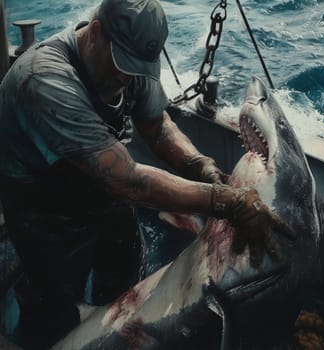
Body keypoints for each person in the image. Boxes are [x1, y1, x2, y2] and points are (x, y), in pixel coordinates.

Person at [0, 0, 295, 348]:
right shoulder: (44, 80)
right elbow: (128, 180)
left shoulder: (128, 62)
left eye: (138, 68)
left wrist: (200, 165)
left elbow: (157, 128)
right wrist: (224, 201)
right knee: (51, 302)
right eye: (123, 66)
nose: (128, 77)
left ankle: (114, 327)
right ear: (95, 33)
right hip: (44, 205)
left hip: (102, 186)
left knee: (126, 272)